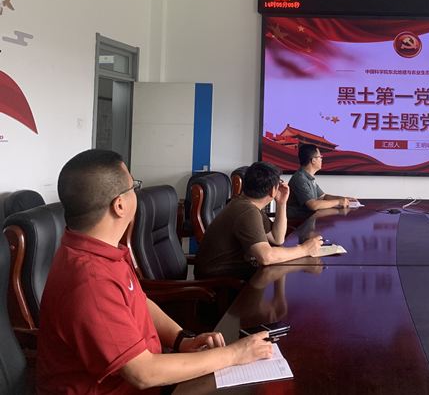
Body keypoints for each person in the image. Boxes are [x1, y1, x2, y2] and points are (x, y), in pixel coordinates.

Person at [37, 149, 273, 395]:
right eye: (134, 187)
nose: (137, 193)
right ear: (120, 205)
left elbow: (139, 301)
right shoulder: (91, 280)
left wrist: (182, 340)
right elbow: (143, 373)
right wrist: (235, 354)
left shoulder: (99, 249)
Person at [194, 161, 324, 279]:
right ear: (272, 191)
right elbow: (266, 257)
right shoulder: (247, 211)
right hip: (220, 282)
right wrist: (304, 250)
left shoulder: (247, 204)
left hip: (232, 272)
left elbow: (277, 238)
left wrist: (281, 203)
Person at [286, 144, 356, 219]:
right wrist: (338, 202)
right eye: (320, 157)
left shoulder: (308, 177)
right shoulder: (300, 179)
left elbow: (323, 197)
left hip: (308, 221)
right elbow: (313, 205)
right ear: (313, 160)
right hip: (298, 223)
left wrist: (344, 199)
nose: (321, 159)